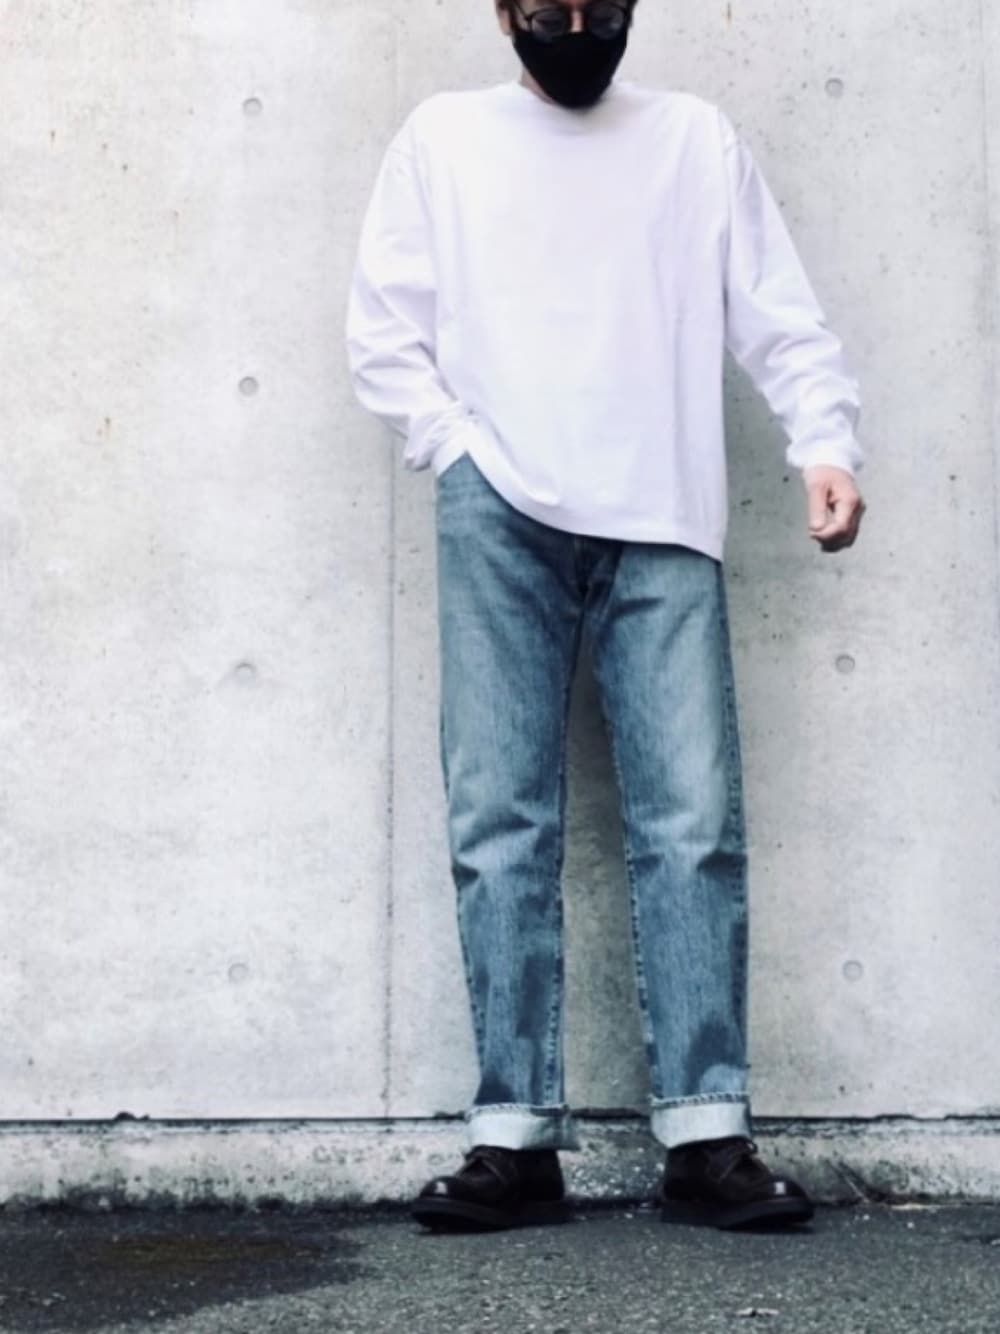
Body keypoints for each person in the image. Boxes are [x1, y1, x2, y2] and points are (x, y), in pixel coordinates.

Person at [345, 0, 866, 1232]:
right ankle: (513, 1139)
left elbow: (775, 307)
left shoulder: (691, 138)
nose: (576, 31)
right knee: (499, 820)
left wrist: (825, 442)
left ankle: (705, 1134)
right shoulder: (442, 138)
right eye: (550, 12)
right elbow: (382, 329)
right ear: (503, 14)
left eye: (601, 11)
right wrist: (457, 449)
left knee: (691, 821)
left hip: (663, 506)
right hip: (498, 507)